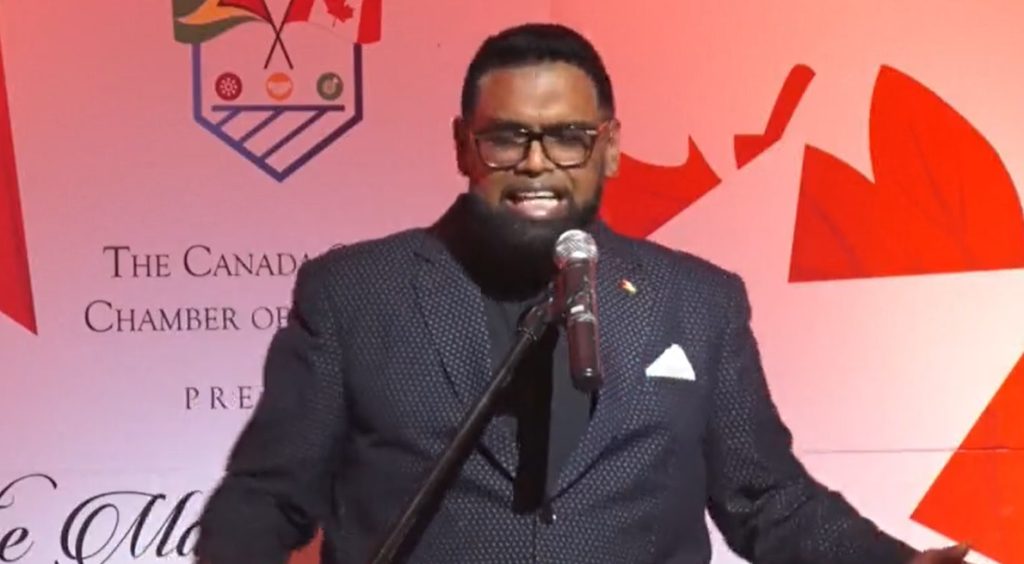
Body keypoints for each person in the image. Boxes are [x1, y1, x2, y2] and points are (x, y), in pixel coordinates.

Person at [195, 23, 972, 564]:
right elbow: (266, 497)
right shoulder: (356, 294)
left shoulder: (697, 302)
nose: (537, 162)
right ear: (464, 146)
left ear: (611, 149)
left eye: (568, 136)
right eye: (507, 136)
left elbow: (766, 497)